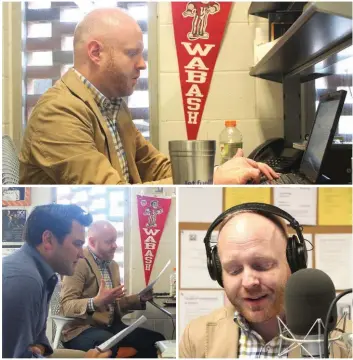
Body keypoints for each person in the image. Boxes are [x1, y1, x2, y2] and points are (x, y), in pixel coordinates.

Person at [19, 7, 278, 185]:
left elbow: (155, 166)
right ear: (95, 53)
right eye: (132, 53)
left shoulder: (113, 105)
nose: (142, 64)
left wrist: (221, 172)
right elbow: (114, 196)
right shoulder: (58, 114)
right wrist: (209, 181)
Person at [179, 207, 350, 358]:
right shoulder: (195, 337)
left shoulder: (346, 342)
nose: (248, 282)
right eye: (234, 270)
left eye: (262, 265)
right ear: (218, 273)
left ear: (293, 263)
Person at [2, 204, 111, 358]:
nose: (81, 254)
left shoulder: (41, 274)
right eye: (77, 244)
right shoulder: (23, 281)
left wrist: (37, 347)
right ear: (48, 240)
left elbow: (39, 343)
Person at [60, 220, 165, 358]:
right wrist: (96, 301)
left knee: (156, 340)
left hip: (109, 327)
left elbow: (113, 305)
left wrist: (139, 299)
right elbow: (66, 305)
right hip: (81, 329)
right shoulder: (79, 263)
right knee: (107, 344)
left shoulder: (113, 265)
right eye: (109, 242)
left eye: (115, 241)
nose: (115, 246)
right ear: (92, 242)